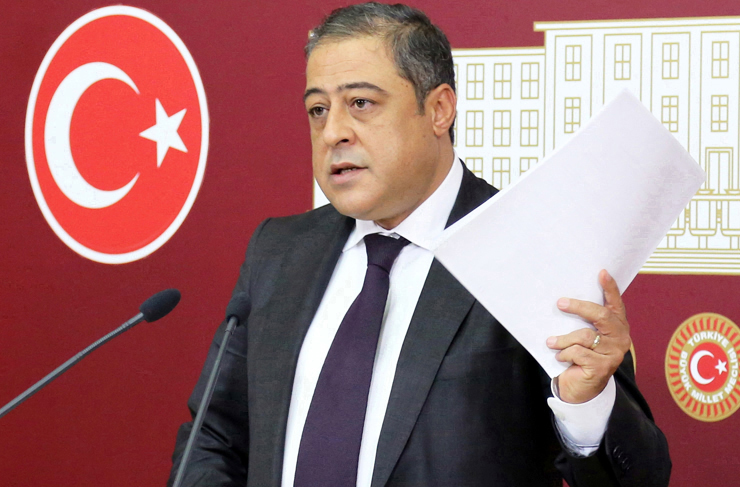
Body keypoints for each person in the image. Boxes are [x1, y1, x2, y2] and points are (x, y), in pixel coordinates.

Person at [168, 3, 670, 486]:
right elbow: (213, 438)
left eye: (361, 103)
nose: (333, 132)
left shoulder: (533, 247)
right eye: (318, 109)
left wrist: (587, 406)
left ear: (438, 109)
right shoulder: (280, 251)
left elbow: (640, 478)